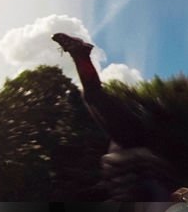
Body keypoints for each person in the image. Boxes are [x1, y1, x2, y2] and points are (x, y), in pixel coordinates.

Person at [52, 32, 177, 200]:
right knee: (92, 97)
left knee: (93, 96)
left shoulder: (132, 134)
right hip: (142, 182)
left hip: (142, 168)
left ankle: (80, 54)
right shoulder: (126, 137)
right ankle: (80, 54)